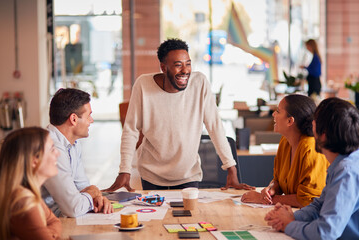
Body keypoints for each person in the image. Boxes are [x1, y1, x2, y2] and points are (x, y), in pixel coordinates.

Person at [104, 38, 254, 191]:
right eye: (178, 65)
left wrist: (231, 168)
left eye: (188, 64)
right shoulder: (143, 85)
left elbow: (215, 126)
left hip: (188, 175)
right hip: (152, 175)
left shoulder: (199, 83)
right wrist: (125, 170)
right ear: (163, 67)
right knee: (156, 215)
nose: (185, 70)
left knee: (190, 214)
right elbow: (131, 130)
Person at [265, 97, 359, 239]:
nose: (310, 124)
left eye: (315, 122)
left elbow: (325, 232)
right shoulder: (341, 164)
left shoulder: (346, 172)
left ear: (323, 134)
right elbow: (319, 206)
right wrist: (290, 217)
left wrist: (289, 224)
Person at [241, 94, 328, 208]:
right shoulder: (285, 141)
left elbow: (308, 200)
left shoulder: (311, 149)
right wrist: (271, 189)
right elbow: (279, 180)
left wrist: (265, 199)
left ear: (290, 121)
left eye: (278, 111)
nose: (273, 114)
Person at [41, 88, 113, 217]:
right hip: (46, 223)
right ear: (73, 119)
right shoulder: (52, 148)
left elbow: (82, 187)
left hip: (62, 217)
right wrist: (92, 195)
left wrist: (97, 198)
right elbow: (73, 208)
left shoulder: (73, 143)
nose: (91, 120)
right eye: (88, 115)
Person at [0, 127, 61, 240]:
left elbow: (54, 221)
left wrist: (49, 233)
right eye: (52, 149)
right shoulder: (25, 203)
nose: (58, 153)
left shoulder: (27, 192)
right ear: (34, 161)